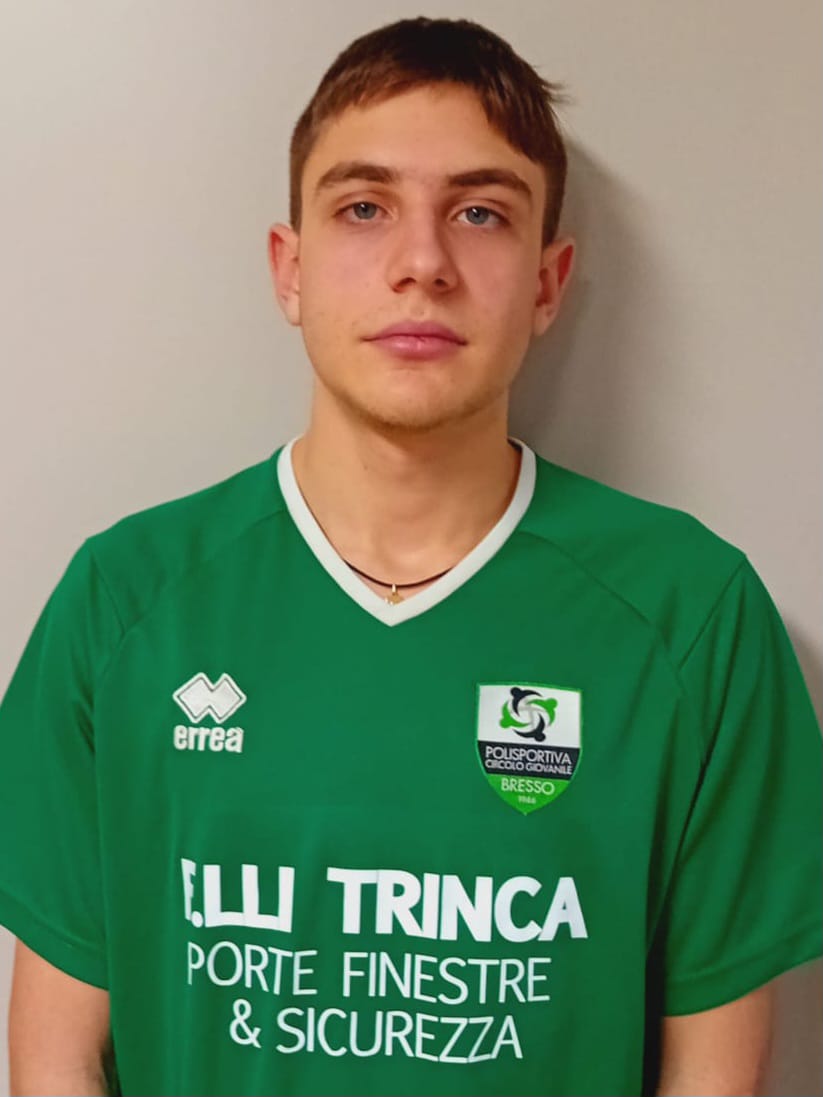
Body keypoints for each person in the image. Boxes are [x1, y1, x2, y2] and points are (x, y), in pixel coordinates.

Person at [1, 15, 820, 1097]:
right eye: (363, 207)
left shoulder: (693, 618)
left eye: (480, 212)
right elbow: (55, 1057)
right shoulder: (125, 604)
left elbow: (714, 1076)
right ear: (290, 270)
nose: (422, 263)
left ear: (546, 282)